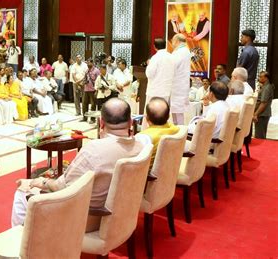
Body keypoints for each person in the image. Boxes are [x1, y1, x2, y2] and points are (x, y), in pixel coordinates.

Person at [11, 98, 149, 230]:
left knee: (23, 191)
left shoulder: (94, 150)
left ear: (101, 123)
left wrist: (42, 182)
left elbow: (63, 188)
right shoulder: (142, 146)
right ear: (131, 122)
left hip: (85, 220)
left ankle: (24, 247)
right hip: (120, 215)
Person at [137, 97, 179, 171]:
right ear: (168, 116)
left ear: (147, 119)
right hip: (169, 170)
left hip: (147, 177)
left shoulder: (143, 137)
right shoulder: (176, 130)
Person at [145, 38, 174, 110]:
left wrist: (149, 64)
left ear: (154, 46)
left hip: (155, 90)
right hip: (167, 90)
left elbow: (149, 74)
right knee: (164, 112)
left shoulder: (155, 58)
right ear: (165, 45)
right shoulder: (171, 57)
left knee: (153, 112)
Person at [170, 34, 192, 125]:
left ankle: (180, 134)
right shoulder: (183, 51)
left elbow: (172, 65)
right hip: (179, 85)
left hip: (178, 86)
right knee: (176, 111)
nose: (172, 43)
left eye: (172, 41)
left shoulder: (181, 52)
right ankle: (177, 132)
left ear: (177, 41)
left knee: (178, 112)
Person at [253, 71, 275, 139]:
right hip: (262, 114)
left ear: (266, 78)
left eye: (260, 77)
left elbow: (263, 103)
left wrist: (256, 114)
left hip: (262, 114)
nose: (259, 78)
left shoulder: (266, 88)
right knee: (260, 134)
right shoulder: (266, 86)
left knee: (259, 136)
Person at [81, 59, 99, 124]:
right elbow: (84, 78)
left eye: (89, 63)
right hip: (86, 89)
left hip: (93, 90)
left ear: (92, 63)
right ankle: (85, 117)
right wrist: (83, 82)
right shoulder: (87, 70)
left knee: (93, 105)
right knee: (84, 104)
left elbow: (98, 80)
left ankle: (93, 119)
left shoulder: (96, 71)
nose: (88, 64)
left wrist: (97, 90)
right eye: (87, 63)